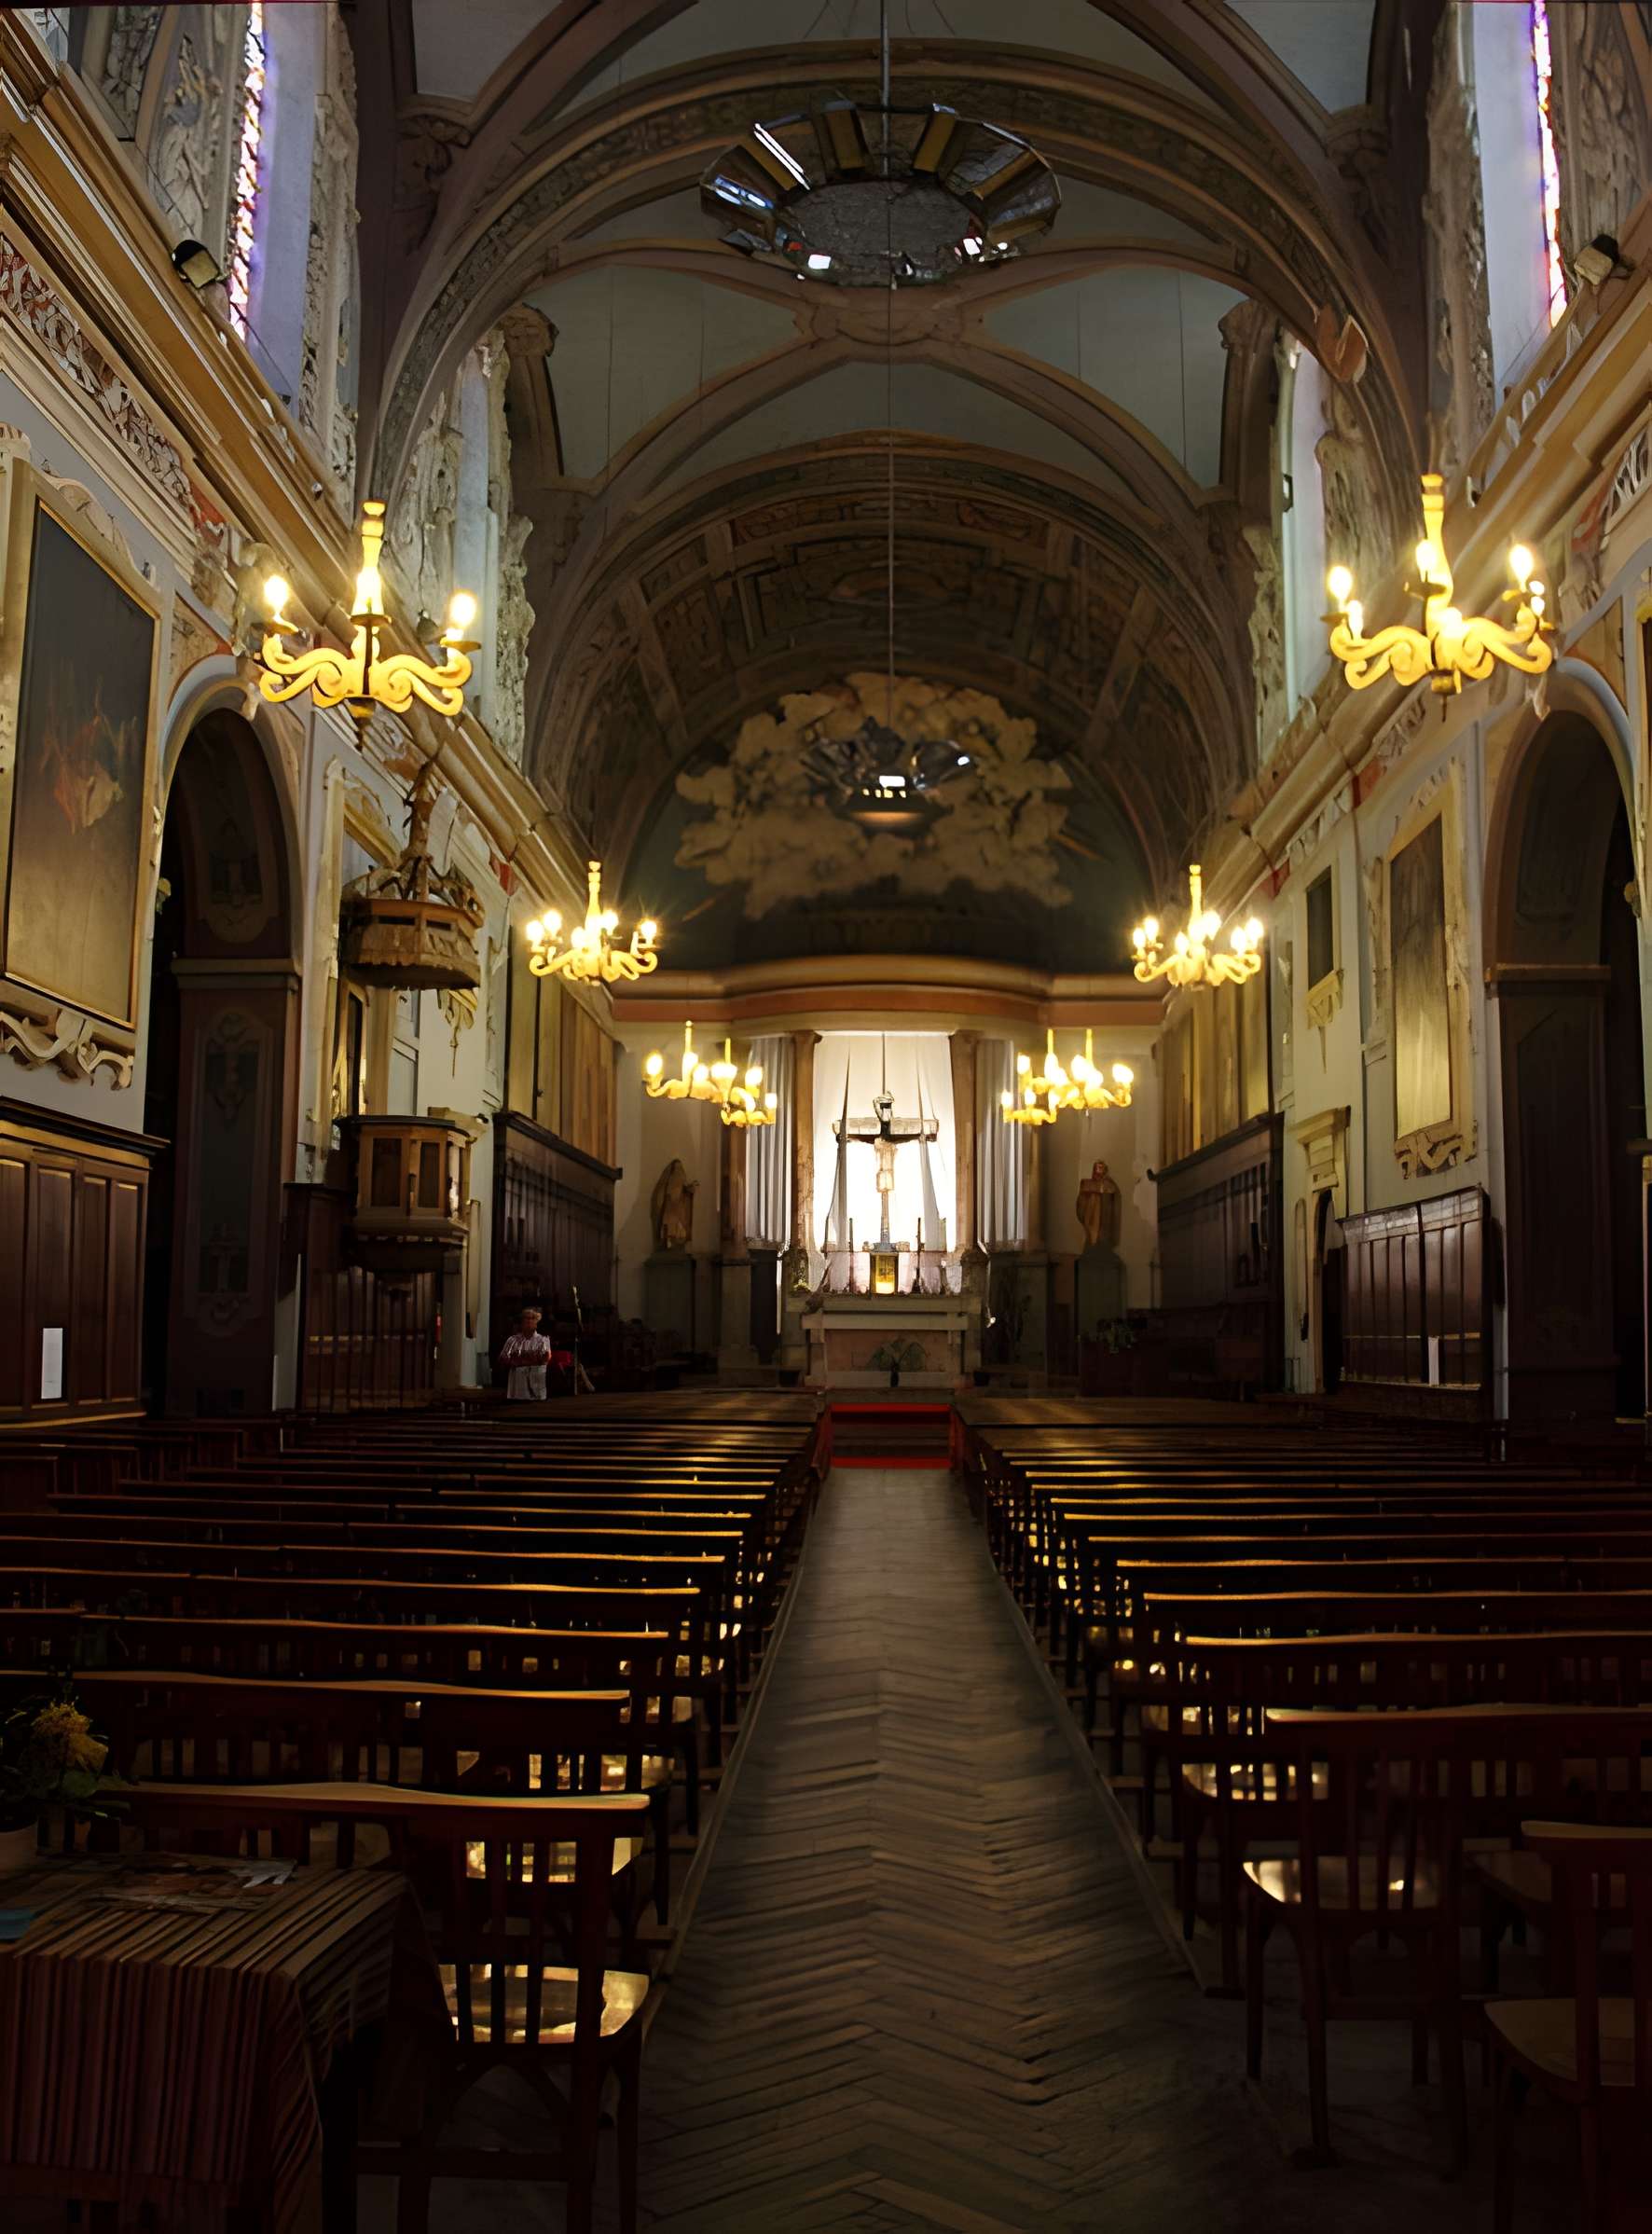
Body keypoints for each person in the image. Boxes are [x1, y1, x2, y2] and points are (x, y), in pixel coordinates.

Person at [497, 1306, 552, 1401]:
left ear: (536, 1322)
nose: (529, 1321)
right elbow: (502, 1358)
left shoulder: (543, 1339)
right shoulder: (512, 1340)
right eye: (526, 1318)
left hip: (536, 1385)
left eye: (532, 1318)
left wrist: (520, 1359)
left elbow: (545, 1358)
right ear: (521, 1322)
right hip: (517, 1387)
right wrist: (530, 1359)